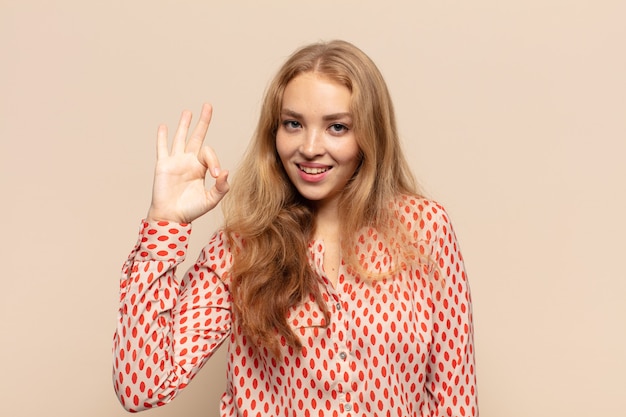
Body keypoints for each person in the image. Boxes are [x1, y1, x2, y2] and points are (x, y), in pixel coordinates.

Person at [113, 39, 478, 417]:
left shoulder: (424, 229)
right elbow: (142, 387)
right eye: (293, 124)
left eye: (337, 127)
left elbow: (455, 399)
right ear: (274, 132)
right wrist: (164, 224)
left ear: (370, 135)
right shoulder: (242, 245)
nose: (310, 147)